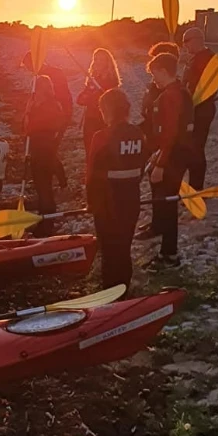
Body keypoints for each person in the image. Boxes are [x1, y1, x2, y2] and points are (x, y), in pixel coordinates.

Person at [86, 89, 147, 293]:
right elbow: (141, 166)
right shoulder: (138, 133)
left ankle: (110, 292)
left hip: (106, 203)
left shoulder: (101, 136)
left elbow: (92, 174)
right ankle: (124, 287)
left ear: (107, 111)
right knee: (123, 247)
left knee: (109, 250)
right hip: (131, 199)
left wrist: (90, 202)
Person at [140, 53, 194, 272]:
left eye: (154, 74)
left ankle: (169, 255)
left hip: (172, 157)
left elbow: (170, 133)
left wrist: (161, 163)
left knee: (168, 202)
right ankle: (161, 233)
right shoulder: (181, 91)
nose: (154, 79)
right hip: (174, 153)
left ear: (163, 70)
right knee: (163, 199)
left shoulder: (171, 96)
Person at [22, 52, 71, 188]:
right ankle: (51, 178)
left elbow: (64, 98)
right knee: (46, 152)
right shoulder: (36, 77)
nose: (28, 70)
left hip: (53, 119)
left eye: (28, 66)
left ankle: (57, 179)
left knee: (50, 151)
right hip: (44, 119)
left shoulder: (54, 74)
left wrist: (63, 119)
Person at [24, 75, 65, 236]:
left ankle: (48, 223)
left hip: (45, 147)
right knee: (40, 186)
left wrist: (31, 114)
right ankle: (43, 218)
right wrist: (29, 112)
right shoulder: (36, 103)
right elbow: (28, 127)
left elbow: (52, 124)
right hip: (36, 146)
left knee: (44, 186)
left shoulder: (50, 105)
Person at [181, 27, 216, 190]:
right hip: (194, 109)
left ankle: (196, 188)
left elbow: (201, 87)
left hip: (201, 110)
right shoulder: (195, 58)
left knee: (196, 149)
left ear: (195, 40)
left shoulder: (207, 59)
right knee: (191, 148)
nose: (184, 46)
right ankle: (193, 186)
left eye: (185, 42)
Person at [76, 48, 121, 155]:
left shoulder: (111, 81)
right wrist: (90, 94)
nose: (98, 62)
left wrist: (94, 94)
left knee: (102, 151)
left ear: (107, 62)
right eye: (96, 59)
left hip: (104, 120)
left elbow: (109, 101)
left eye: (102, 60)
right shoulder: (92, 79)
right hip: (90, 119)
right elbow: (80, 100)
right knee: (90, 150)